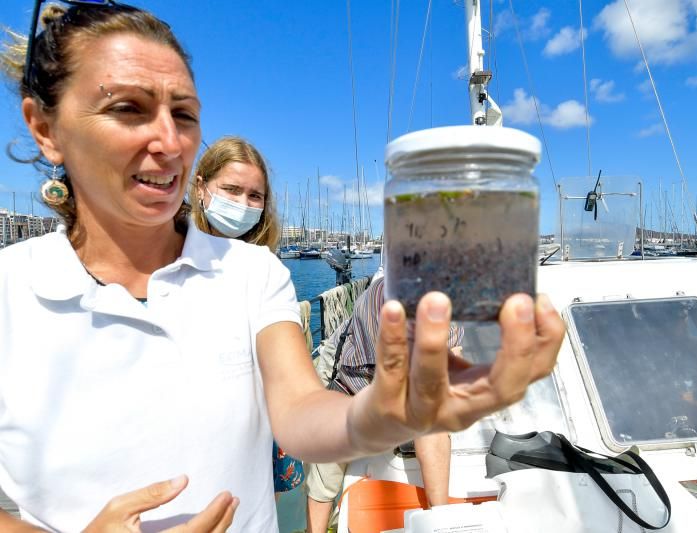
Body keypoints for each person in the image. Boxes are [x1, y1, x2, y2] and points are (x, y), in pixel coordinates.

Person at [0, 2, 564, 532]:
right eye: (128, 108)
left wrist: (381, 416)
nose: (170, 141)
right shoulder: (10, 290)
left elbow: (297, 407)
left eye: (185, 114)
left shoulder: (252, 273)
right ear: (45, 129)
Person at [189, 135, 304, 501]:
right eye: (232, 190)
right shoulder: (166, 257)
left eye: (255, 196)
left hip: (261, 428)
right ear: (201, 187)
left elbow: (290, 375)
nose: (242, 204)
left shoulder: (266, 267)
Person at [306, 275, 462, 532]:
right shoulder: (381, 301)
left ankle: (440, 520)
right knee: (326, 467)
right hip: (347, 378)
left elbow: (453, 351)